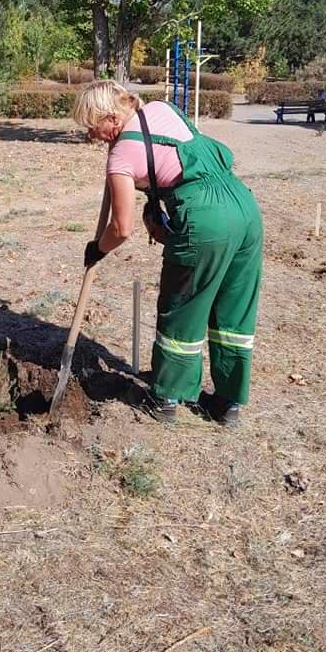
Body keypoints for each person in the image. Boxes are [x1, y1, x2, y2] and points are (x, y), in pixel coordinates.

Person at [73, 80, 263, 426]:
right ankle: (228, 404)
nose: (91, 135)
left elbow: (121, 228)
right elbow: (172, 162)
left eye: (92, 125)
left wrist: (97, 249)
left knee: (182, 307)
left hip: (206, 219)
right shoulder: (163, 108)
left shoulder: (120, 156)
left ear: (111, 118)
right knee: (233, 310)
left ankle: (165, 400)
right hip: (244, 208)